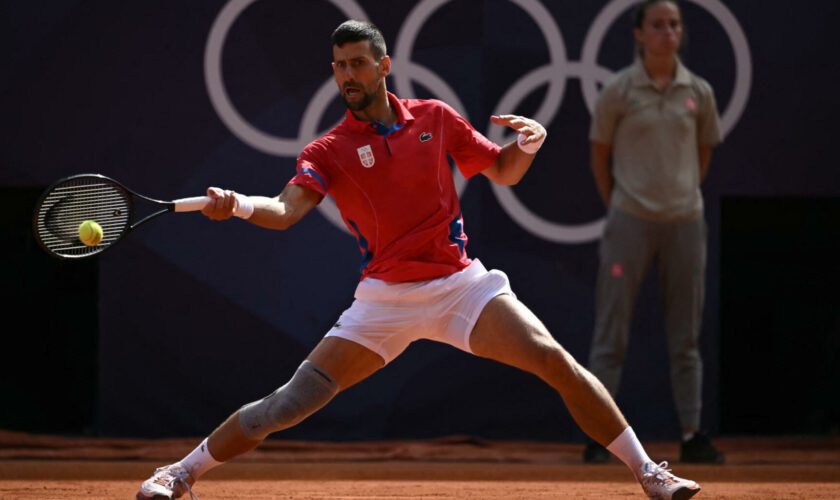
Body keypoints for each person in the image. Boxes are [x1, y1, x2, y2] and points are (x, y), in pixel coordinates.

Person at [137, 19, 700, 500]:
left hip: (461, 287)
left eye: (358, 63)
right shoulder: (327, 150)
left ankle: (649, 474)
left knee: (554, 361)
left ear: (385, 66)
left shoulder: (434, 117)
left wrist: (527, 145)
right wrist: (236, 205)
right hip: (383, 300)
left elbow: (501, 170)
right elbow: (284, 211)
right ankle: (180, 473)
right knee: (285, 406)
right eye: (339, 66)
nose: (347, 76)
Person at [582, 0, 725, 465]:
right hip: (630, 222)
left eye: (675, 25)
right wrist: (625, 205)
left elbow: (702, 155)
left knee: (686, 333)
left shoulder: (698, 92)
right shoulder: (619, 91)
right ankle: (600, 435)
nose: (669, 32)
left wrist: (678, 196)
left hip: (685, 221)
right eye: (659, 25)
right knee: (611, 331)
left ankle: (691, 433)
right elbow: (599, 155)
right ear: (639, 34)